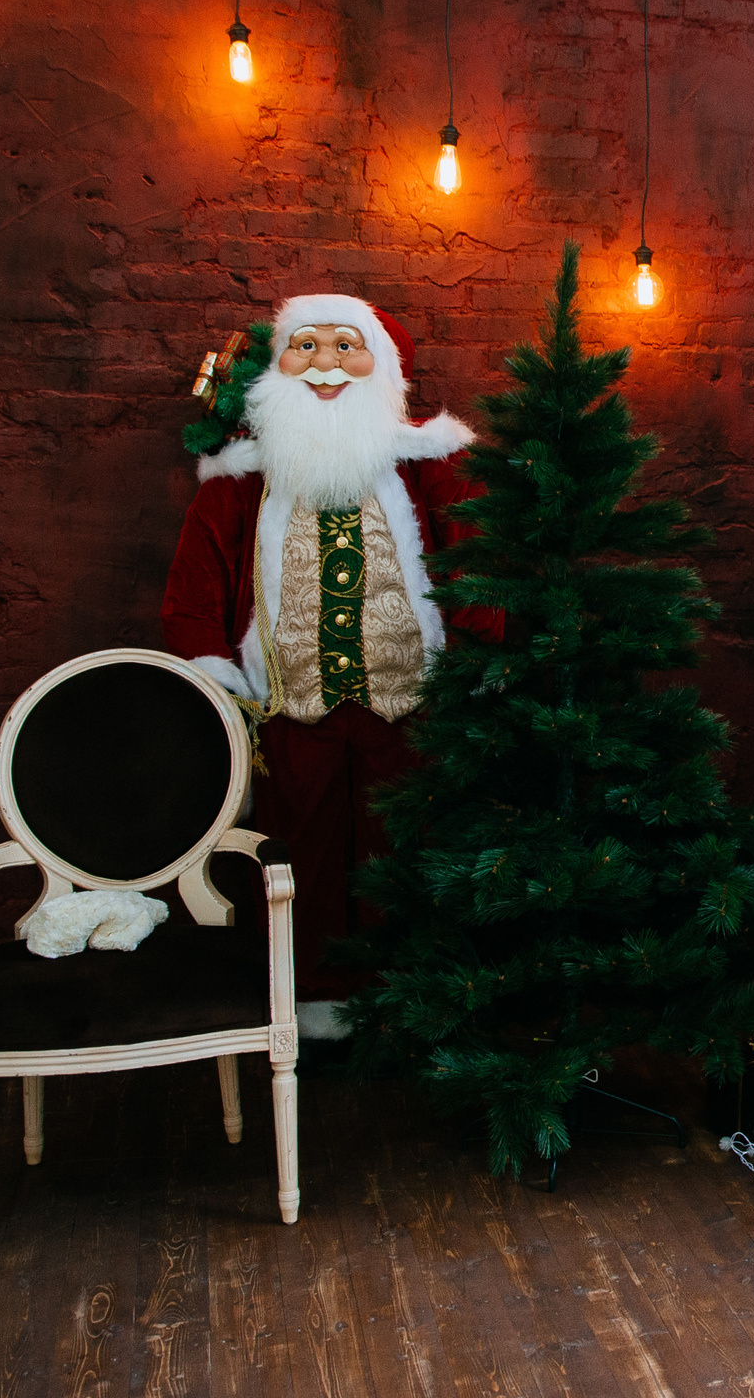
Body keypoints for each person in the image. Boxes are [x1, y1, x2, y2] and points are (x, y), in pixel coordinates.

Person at [160, 293, 495, 1007]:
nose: (325, 364)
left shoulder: (426, 461)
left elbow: (477, 559)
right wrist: (213, 668)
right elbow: (194, 585)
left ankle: (409, 994)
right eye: (305, 346)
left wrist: (478, 652)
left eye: (347, 346)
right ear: (277, 363)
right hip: (290, 705)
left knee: (405, 840)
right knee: (298, 851)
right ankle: (309, 997)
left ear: (382, 364)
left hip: (408, 698)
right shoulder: (243, 476)